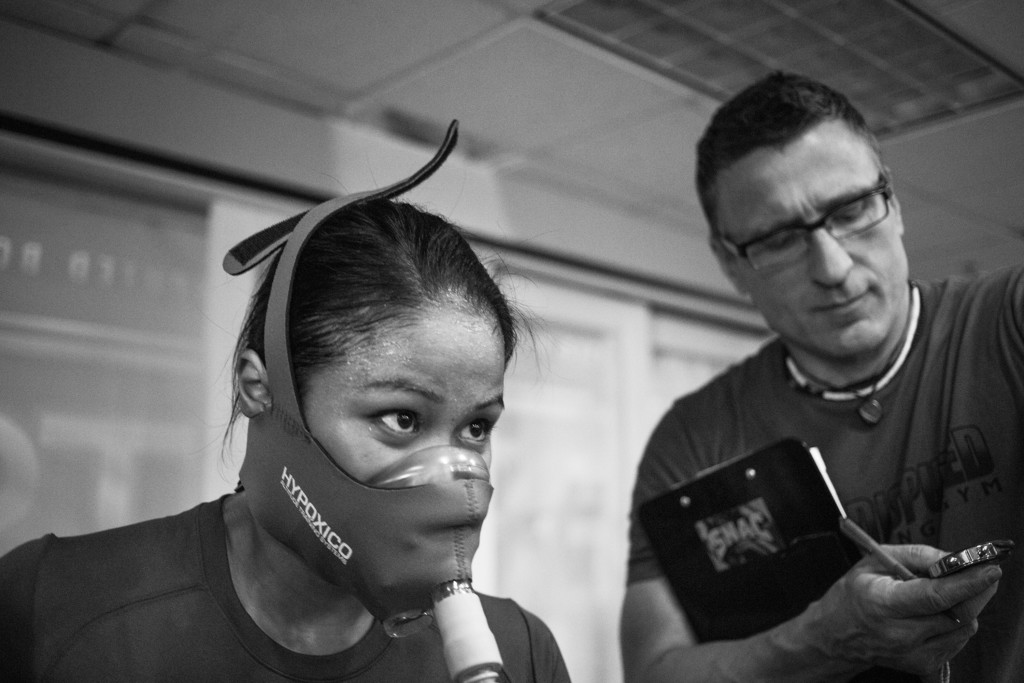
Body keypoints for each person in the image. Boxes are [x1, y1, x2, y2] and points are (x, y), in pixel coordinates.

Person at [0, 126, 572, 682]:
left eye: (476, 428)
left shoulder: (520, 654)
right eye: (402, 419)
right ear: (259, 388)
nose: (450, 478)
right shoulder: (55, 606)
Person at [621, 72, 1022, 682]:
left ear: (895, 204)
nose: (832, 267)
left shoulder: (1009, 323)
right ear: (733, 264)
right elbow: (655, 672)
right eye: (781, 238)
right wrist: (828, 639)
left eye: (853, 209)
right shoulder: (693, 438)